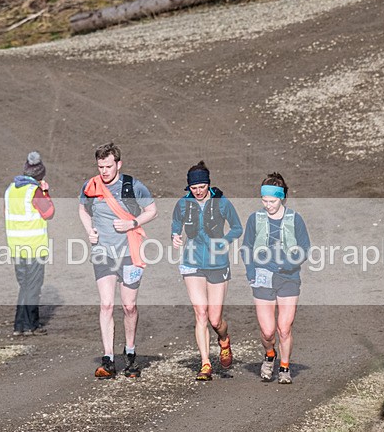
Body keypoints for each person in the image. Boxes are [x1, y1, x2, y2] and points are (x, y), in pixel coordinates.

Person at [79, 142, 157, 379]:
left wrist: (132, 223)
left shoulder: (133, 186)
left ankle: (130, 355)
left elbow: (152, 210)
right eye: (100, 166)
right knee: (106, 305)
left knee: (129, 306)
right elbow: (82, 209)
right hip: (103, 253)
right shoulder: (90, 186)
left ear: (118, 164)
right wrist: (89, 230)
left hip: (130, 252)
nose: (104, 171)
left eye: (108, 166)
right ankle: (108, 359)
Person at [171, 161, 242, 381]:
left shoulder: (221, 202)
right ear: (188, 187)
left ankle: (224, 340)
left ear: (208, 184)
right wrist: (175, 236)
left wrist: (225, 241)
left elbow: (237, 227)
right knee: (200, 313)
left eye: (201, 186)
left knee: (214, 319)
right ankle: (205, 364)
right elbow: (176, 225)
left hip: (217, 264)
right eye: (194, 187)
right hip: (192, 262)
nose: (198, 191)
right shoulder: (182, 204)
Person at [240, 172, 310, 384]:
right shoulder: (255, 219)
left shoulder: (295, 219)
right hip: (262, 277)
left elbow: (305, 248)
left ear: (282, 198)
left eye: (273, 201)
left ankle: (284, 367)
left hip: (289, 278)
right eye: (265, 200)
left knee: (284, 328)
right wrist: (251, 272)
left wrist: (288, 264)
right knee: (268, 331)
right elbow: (246, 247)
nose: (268, 205)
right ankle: (270, 354)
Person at [4, 151, 55, 336]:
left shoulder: (10, 190)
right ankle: (30, 325)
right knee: (33, 285)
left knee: (25, 285)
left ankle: (20, 325)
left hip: (15, 246)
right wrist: (46, 192)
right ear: (40, 175)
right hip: (33, 246)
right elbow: (49, 213)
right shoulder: (35, 192)